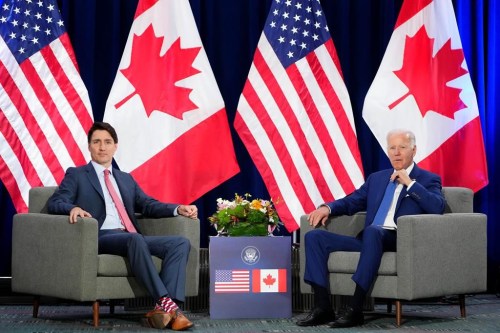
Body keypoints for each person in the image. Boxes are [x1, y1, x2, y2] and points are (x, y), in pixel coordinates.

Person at [47, 122, 197, 331]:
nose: (102, 147)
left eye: (107, 142)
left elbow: (147, 205)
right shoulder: (77, 174)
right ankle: (169, 305)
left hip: (130, 237)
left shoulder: (125, 179)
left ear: (115, 146)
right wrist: (73, 208)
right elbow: (55, 202)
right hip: (99, 235)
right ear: (89, 146)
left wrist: (177, 208)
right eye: (96, 142)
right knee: (134, 239)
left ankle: (163, 310)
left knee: (180, 243)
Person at [296, 129, 445, 328]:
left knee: (374, 231)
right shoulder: (377, 178)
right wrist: (327, 207)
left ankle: (355, 308)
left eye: (402, 147)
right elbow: (352, 201)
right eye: (392, 148)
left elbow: (437, 207)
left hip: (397, 240)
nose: (397, 153)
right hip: (368, 240)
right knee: (315, 237)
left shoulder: (427, 179)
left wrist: (410, 183)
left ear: (414, 150)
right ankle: (323, 307)